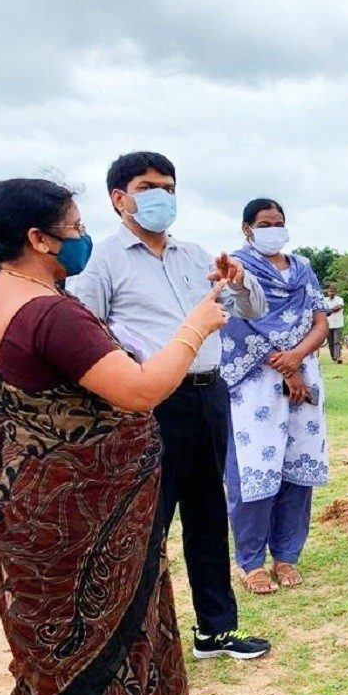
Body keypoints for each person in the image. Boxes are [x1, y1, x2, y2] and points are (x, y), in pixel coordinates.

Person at [0, 179, 234, 695]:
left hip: (45, 505)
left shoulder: (4, 292)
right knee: (90, 642)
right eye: (73, 226)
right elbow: (140, 390)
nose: (82, 237)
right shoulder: (50, 314)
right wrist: (197, 325)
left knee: (65, 643)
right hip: (77, 517)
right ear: (38, 239)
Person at [69, 151, 271, 661]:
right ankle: (137, 641)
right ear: (119, 198)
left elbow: (252, 309)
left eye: (169, 187)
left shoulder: (196, 256)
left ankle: (215, 630)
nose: (162, 196)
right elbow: (85, 331)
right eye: (148, 187)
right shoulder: (102, 261)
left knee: (208, 512)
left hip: (209, 393)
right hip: (151, 401)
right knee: (147, 519)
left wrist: (239, 281)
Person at [222, 199, 329, 594]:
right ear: (247, 228)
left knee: (298, 466)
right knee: (254, 469)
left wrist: (297, 359)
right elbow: (234, 324)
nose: (273, 229)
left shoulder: (303, 269)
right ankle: (251, 562)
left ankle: (287, 554)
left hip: (304, 375)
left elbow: (320, 321)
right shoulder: (236, 268)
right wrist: (286, 366)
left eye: (279, 222)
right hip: (255, 380)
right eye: (265, 223)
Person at [323, 281, 345, 363]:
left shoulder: (339, 299)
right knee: (330, 343)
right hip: (328, 324)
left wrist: (329, 310)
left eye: (333, 291)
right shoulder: (324, 300)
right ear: (327, 292)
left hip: (338, 324)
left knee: (337, 342)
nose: (331, 293)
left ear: (335, 292)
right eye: (330, 291)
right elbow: (322, 309)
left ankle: (337, 357)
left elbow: (339, 307)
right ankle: (333, 358)